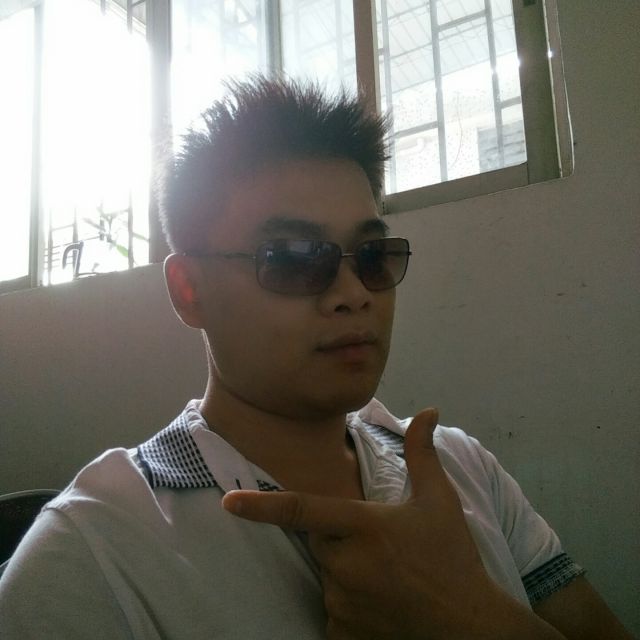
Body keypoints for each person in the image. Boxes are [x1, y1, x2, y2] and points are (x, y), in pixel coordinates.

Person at [0, 76, 632, 640]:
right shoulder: (95, 552)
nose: (354, 294)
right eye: (293, 259)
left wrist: (477, 622)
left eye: (372, 257)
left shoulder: (461, 468)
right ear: (189, 290)